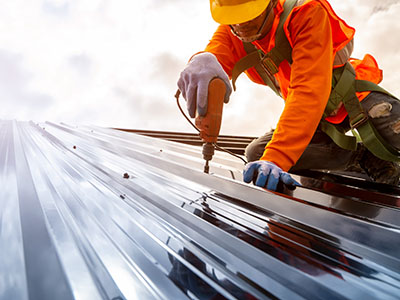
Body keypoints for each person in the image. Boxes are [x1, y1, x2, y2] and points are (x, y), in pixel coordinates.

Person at [177, 0, 400, 191]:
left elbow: (308, 91)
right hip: (314, 120)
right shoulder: (233, 29)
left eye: (249, 18)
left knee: (393, 127)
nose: (241, 27)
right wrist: (202, 59)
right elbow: (217, 52)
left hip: (351, 98)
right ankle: (362, 156)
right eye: (234, 20)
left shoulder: (305, 13)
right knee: (256, 153)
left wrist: (277, 158)